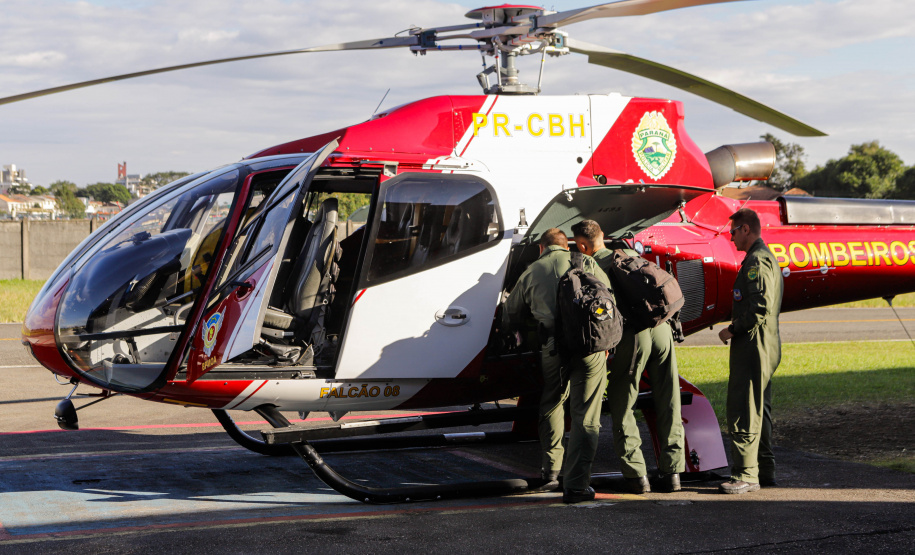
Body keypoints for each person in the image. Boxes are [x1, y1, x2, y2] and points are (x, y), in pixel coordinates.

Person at [571, 220, 684, 494]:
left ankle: (636, 476)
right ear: (604, 236)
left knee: (623, 401)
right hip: (663, 330)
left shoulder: (593, 266)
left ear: (582, 245)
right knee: (669, 398)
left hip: (635, 336)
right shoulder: (629, 255)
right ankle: (673, 474)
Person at [503, 228, 611, 503]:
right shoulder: (587, 262)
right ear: (567, 245)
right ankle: (577, 483)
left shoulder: (532, 271)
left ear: (542, 248)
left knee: (552, 402)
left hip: (553, 348)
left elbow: (509, 316)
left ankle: (551, 470)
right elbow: (609, 301)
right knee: (586, 415)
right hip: (590, 347)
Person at [717, 208, 783, 494]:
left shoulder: (756, 261)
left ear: (745, 229)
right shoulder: (763, 258)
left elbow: (759, 307)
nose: (730, 238)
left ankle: (746, 474)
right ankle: (763, 469)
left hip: (753, 345)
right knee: (760, 408)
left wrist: (731, 329)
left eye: (733, 232)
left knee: (744, 407)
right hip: (764, 344)